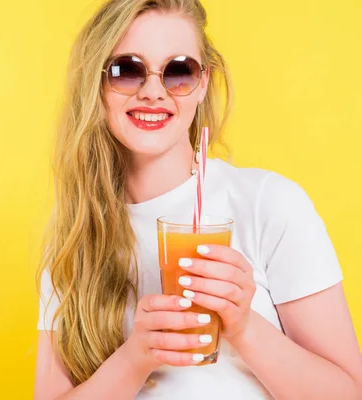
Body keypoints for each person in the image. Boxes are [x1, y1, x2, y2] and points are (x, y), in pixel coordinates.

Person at [33, 0, 362, 398]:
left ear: (202, 83)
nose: (153, 92)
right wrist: (137, 355)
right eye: (127, 70)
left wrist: (243, 326)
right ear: (97, 82)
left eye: (178, 71)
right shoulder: (76, 235)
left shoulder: (268, 204)